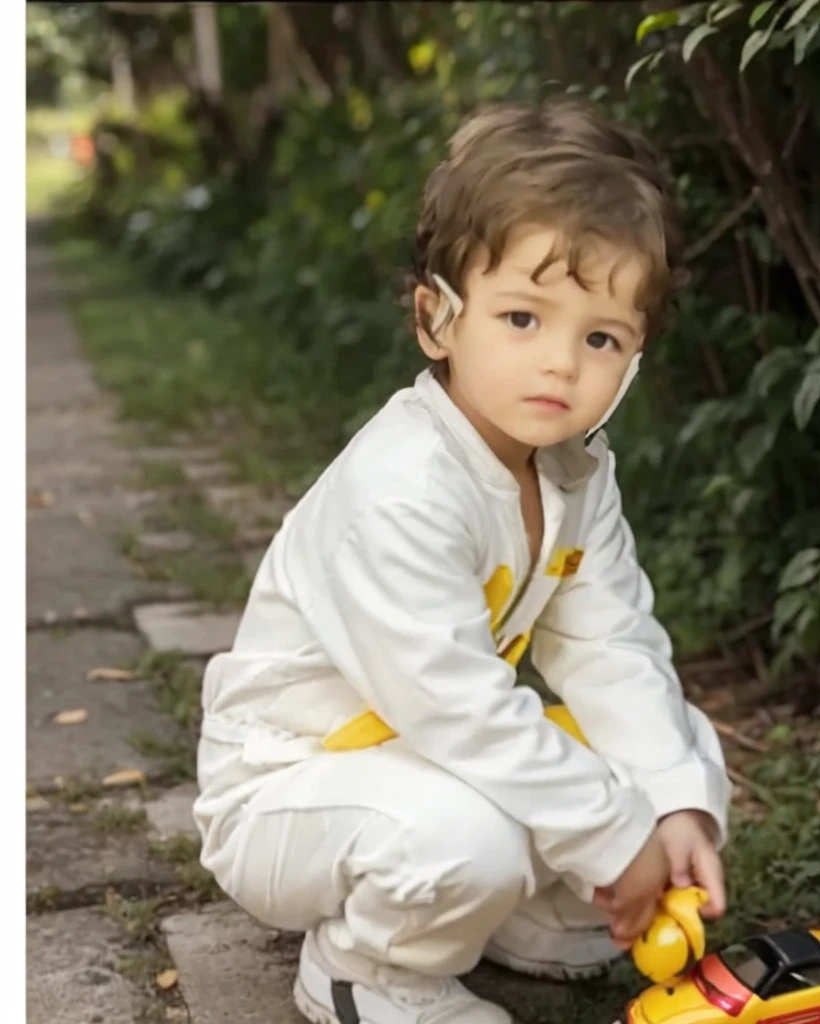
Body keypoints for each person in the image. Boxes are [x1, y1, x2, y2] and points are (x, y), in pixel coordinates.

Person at [193, 98, 733, 1024]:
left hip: (426, 756)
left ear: (635, 355)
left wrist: (672, 808)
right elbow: (458, 707)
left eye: (600, 337)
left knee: (677, 740)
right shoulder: (401, 488)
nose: (561, 364)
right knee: (465, 832)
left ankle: (533, 918)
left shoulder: (573, 472)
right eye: (523, 318)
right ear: (436, 320)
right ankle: (369, 970)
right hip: (292, 789)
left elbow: (613, 647)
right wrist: (610, 828)